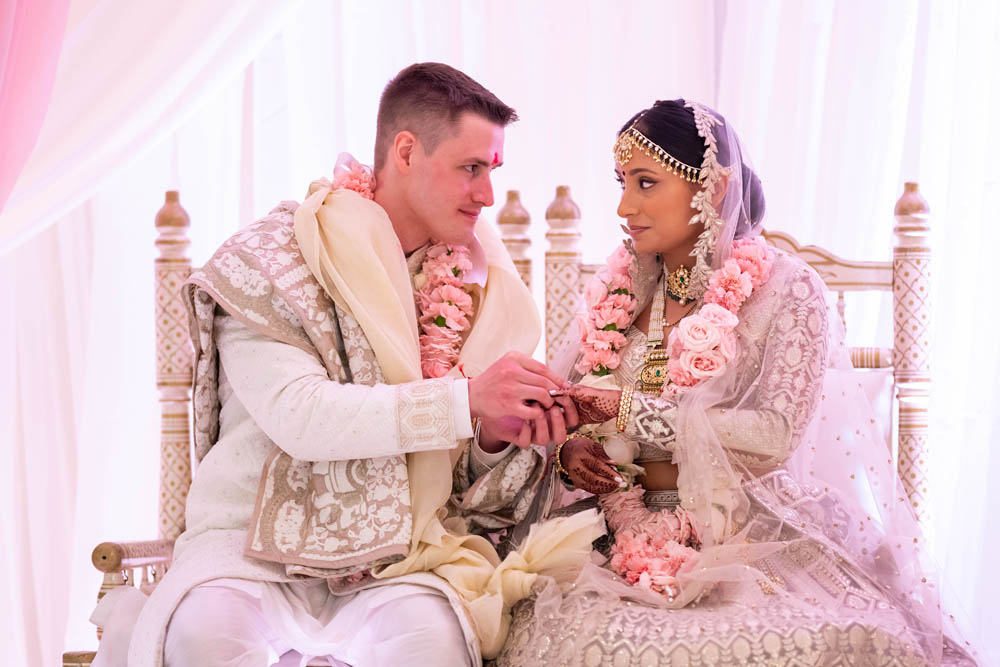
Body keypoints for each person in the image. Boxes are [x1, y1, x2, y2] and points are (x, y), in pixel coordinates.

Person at [94, 62, 604, 667]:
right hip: (249, 548)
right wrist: (466, 402)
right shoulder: (272, 259)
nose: (487, 195)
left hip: (399, 556)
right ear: (407, 151)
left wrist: (495, 434)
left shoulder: (481, 289)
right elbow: (300, 415)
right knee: (210, 635)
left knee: (432, 640)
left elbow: (467, 485)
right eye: (470, 168)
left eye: (492, 171)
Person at [493, 99, 977, 666]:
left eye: (646, 183)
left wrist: (628, 411)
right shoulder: (620, 288)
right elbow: (570, 404)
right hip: (608, 530)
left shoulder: (789, 291)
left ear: (715, 189)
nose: (625, 206)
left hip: (746, 530)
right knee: (569, 640)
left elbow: (773, 435)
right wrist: (574, 448)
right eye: (621, 183)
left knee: (845, 639)